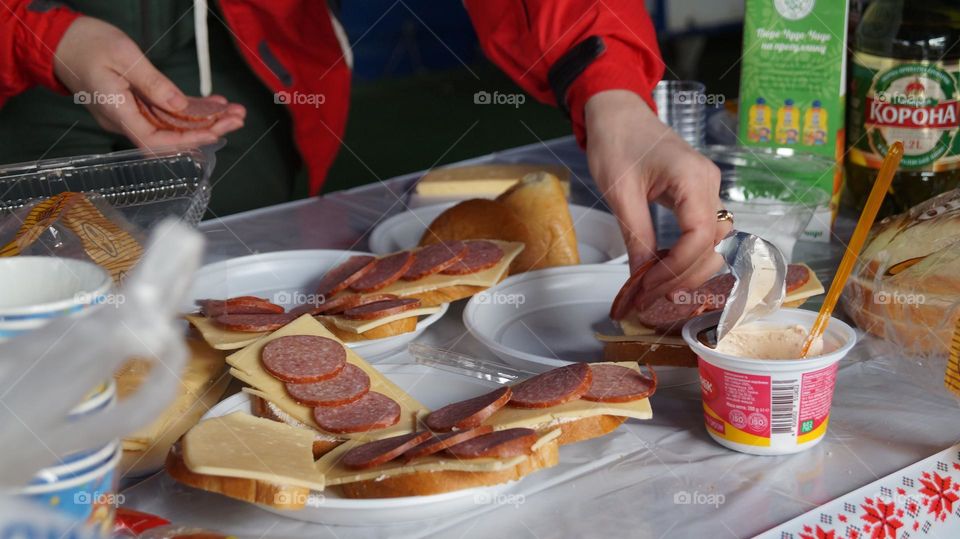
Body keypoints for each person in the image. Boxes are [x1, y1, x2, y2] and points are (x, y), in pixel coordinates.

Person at [0, 0, 728, 307]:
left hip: (250, 94)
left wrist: (608, 88)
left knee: (242, 331)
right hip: (19, 103)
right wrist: (35, 37)